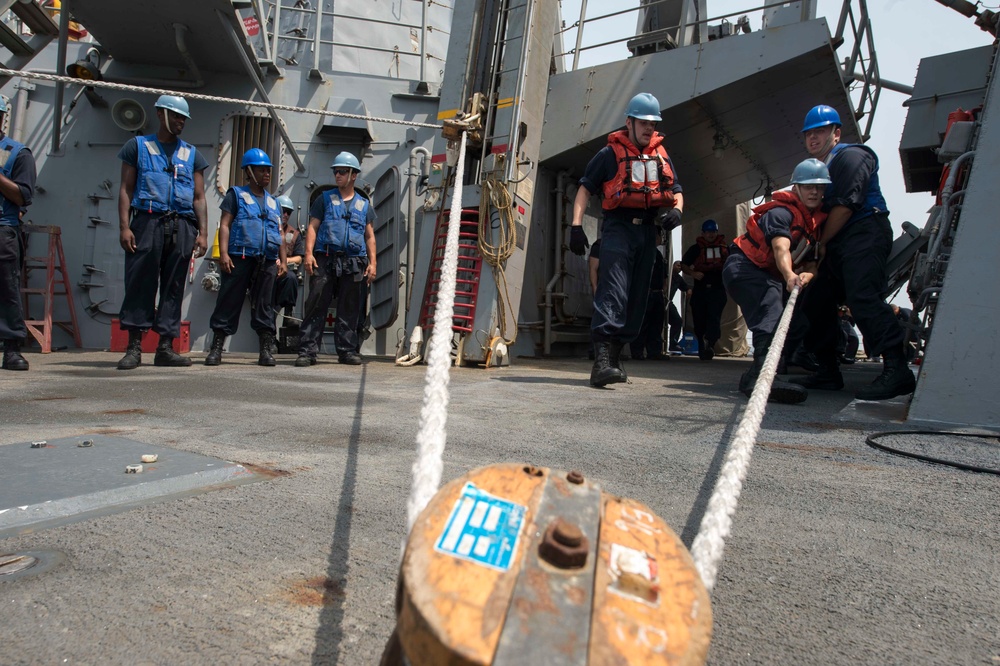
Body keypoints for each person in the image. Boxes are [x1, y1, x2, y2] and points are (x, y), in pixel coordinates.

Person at [793, 105, 916, 400]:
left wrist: (818, 246)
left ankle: (897, 369)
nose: (813, 138)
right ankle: (827, 369)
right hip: (836, 243)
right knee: (814, 298)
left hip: (864, 233)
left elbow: (846, 206)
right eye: (809, 134)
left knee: (863, 296)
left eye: (820, 132)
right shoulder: (820, 170)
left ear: (836, 133)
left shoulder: (850, 156)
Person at [568, 92, 684, 387]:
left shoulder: (661, 155)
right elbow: (585, 189)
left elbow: (677, 190)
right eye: (643, 122)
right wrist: (577, 226)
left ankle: (616, 358)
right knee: (614, 290)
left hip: (648, 233)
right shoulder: (609, 155)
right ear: (629, 122)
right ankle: (601, 362)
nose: (648, 128)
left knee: (637, 297)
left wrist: (678, 212)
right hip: (618, 229)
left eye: (652, 123)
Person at [723, 158, 831, 403]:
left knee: (797, 323)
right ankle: (762, 377)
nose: (814, 191)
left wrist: (808, 274)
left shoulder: (813, 225)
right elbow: (780, 247)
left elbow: (813, 263)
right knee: (770, 310)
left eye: (820, 187)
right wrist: (790, 274)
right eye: (808, 186)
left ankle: (761, 372)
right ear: (796, 189)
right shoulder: (781, 213)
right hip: (745, 268)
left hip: (769, 274)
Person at [116, 95, 208, 370]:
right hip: (147, 222)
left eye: (183, 118)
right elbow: (125, 189)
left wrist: (202, 233)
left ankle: (165, 348)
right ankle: (133, 347)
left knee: (174, 287)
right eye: (177, 116)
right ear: (160, 114)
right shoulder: (138, 147)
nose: (181, 122)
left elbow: (199, 197)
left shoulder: (192, 154)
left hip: (182, 226)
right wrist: (124, 227)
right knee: (140, 283)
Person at [204, 149, 286, 367]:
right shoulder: (236, 195)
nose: (267, 174)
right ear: (249, 171)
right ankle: (216, 348)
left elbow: (279, 234)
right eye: (262, 170)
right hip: (239, 257)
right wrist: (223, 253)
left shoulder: (274, 202)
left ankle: (265, 350)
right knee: (228, 301)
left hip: (267, 261)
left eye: (269, 170)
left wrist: (284, 261)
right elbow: (225, 224)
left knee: (265, 306)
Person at [296, 152, 376, 366]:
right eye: (335, 171)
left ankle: (347, 351)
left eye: (342, 171)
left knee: (350, 307)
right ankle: (307, 351)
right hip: (326, 258)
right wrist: (309, 254)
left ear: (353, 175)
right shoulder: (324, 199)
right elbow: (313, 227)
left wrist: (373, 263)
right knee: (316, 304)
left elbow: (369, 235)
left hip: (354, 261)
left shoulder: (363, 204)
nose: (337, 174)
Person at [0, 97, 37, 371]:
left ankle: (11, 349)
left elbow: (24, 195)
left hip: (3, 229)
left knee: (7, 291)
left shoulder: (16, 153)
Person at [680, 219, 728, 360]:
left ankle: (710, 344)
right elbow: (683, 264)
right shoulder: (696, 249)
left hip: (717, 289)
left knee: (714, 318)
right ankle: (702, 343)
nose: (711, 235)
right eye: (708, 232)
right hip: (700, 290)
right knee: (699, 319)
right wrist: (693, 273)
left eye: (713, 232)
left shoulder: (725, 249)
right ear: (703, 233)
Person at [630, 227, 667, 360]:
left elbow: (664, 276)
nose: (660, 238)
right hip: (646, 292)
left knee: (656, 324)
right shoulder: (643, 252)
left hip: (657, 293)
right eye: (658, 235)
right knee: (642, 323)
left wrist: (663, 291)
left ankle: (654, 351)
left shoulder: (659, 254)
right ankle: (637, 351)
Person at [273, 194, 304, 317]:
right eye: (283, 211)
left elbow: (299, 258)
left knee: (291, 278)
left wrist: (284, 261)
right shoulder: (265, 228)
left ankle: (288, 313)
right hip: (266, 269)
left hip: (283, 272)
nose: (285, 215)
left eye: (288, 212)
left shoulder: (294, 234)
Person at [667, 261, 691, 355]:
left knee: (677, 321)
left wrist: (689, 290)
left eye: (681, 267)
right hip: (660, 299)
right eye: (677, 266)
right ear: (672, 266)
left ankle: (673, 344)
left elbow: (685, 287)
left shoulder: (678, 278)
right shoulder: (667, 274)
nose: (679, 268)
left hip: (669, 302)